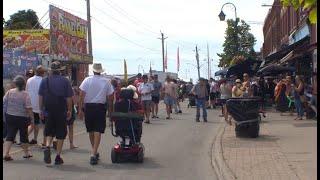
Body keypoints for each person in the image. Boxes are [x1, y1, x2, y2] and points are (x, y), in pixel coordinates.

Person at [38, 61, 74, 165]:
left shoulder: (45, 80)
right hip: (61, 110)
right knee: (61, 133)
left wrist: (41, 110)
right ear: (60, 70)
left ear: (51, 70)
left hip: (48, 110)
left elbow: (40, 96)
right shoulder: (65, 81)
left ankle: (48, 146)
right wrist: (69, 110)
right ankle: (58, 156)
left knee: (49, 131)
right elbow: (69, 98)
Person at [78, 63, 114, 165]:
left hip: (88, 107)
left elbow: (81, 95)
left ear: (93, 71)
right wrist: (110, 110)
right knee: (98, 130)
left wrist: (80, 109)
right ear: (101, 71)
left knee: (91, 130)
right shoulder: (106, 81)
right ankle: (94, 152)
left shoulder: (87, 80)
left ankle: (94, 151)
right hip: (100, 107)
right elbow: (111, 97)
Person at [3, 75, 34, 161]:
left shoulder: (9, 92)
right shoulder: (25, 94)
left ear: (15, 84)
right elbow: (28, 108)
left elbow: (4, 102)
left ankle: (6, 153)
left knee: (10, 135)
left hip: (10, 116)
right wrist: (32, 118)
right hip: (22, 118)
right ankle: (26, 153)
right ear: (23, 84)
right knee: (23, 136)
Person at [26, 65, 46, 146]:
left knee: (34, 123)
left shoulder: (29, 80)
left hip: (31, 105)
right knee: (45, 125)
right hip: (41, 106)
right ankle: (44, 142)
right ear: (43, 73)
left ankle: (31, 139)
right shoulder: (44, 81)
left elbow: (26, 92)